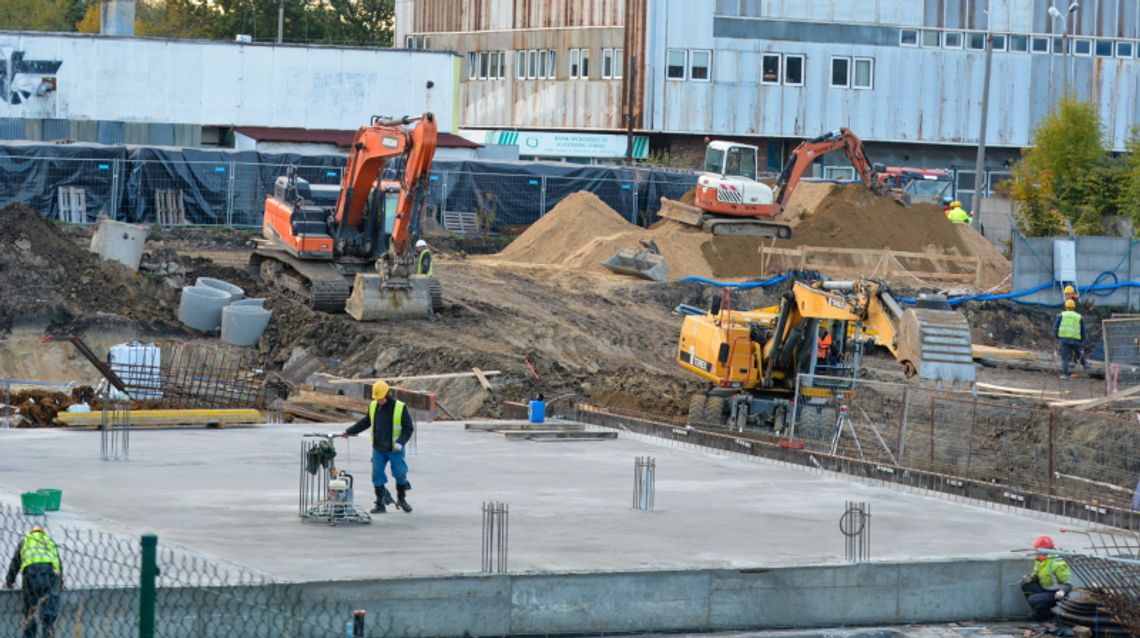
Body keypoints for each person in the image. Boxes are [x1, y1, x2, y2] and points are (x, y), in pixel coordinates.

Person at [342, 380, 414, 514]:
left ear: (388, 394)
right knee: (377, 475)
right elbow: (366, 422)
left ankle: (401, 499)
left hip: (395, 449)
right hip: (378, 448)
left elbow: (408, 428)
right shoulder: (374, 406)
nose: (379, 401)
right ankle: (380, 503)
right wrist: (349, 431)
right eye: (377, 399)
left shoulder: (399, 407)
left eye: (381, 398)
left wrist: (400, 442)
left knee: (400, 473)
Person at [5, 526, 63, 638]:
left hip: (31, 574)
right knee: (49, 613)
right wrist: (60, 583)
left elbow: (15, 563)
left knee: (30, 611)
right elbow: (59, 565)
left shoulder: (26, 541)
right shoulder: (49, 541)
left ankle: (29, 634)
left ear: (31, 532)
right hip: (50, 574)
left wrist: (9, 581)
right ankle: (48, 634)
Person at [1021, 535, 1073, 620]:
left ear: (1045, 550)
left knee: (1033, 599)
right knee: (1026, 585)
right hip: (1046, 589)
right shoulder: (1040, 559)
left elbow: (1069, 584)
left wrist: (1061, 592)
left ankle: (1049, 615)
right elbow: (1037, 574)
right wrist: (1031, 578)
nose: (1036, 552)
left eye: (1038, 550)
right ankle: (1041, 613)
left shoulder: (1058, 562)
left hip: (1056, 594)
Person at [1053, 299, 1086, 379]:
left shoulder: (1061, 315)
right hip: (1075, 339)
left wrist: (1057, 335)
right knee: (1079, 353)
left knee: (1065, 357)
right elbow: (1083, 329)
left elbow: (1055, 327)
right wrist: (1082, 339)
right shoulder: (1079, 316)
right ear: (1074, 307)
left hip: (1064, 339)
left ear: (1066, 307)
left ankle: (1065, 374)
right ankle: (1085, 365)